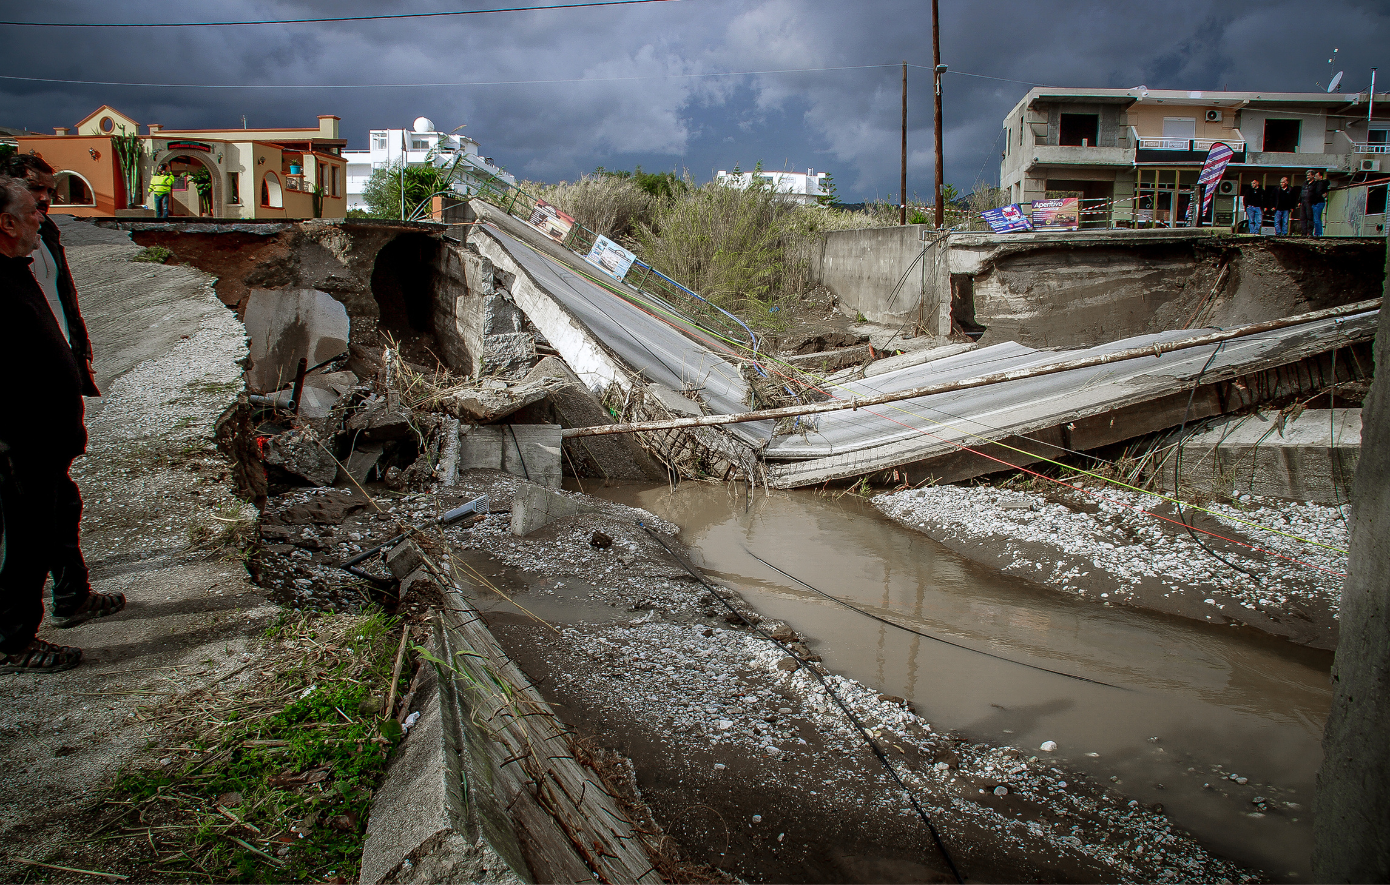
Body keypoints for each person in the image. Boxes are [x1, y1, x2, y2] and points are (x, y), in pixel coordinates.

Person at [4, 154, 123, 633]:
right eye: (35, 193)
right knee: (27, 525)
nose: (45, 204)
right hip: (21, 423)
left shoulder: (38, 241)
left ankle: (72, 594)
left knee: (59, 505)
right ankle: (14, 636)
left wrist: (76, 355)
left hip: (50, 408)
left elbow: (59, 302)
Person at [0, 177, 90, 672]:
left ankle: (72, 598)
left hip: (45, 439)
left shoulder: (16, 269)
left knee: (57, 517)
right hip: (22, 442)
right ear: (6, 222)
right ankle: (12, 640)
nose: (42, 216)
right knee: (28, 539)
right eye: (33, 210)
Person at [1309, 170, 1328, 237]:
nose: (1315, 177)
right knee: (1315, 219)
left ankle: (1318, 233)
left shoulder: (1322, 183)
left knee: (1317, 219)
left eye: (1317, 176)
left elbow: (1320, 192)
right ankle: (1317, 233)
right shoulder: (1315, 184)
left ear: (1321, 176)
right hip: (1315, 203)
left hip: (1319, 202)